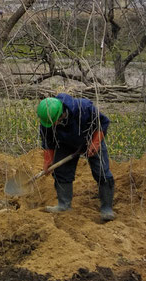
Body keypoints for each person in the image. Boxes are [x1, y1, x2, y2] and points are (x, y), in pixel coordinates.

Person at [37, 93, 115, 222]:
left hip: (92, 137)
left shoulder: (83, 108)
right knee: (61, 171)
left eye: (54, 122)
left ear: (61, 114)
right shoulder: (47, 121)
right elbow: (48, 141)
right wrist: (48, 160)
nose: (52, 125)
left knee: (102, 172)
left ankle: (107, 208)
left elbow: (103, 122)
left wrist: (95, 143)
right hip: (65, 143)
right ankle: (64, 205)